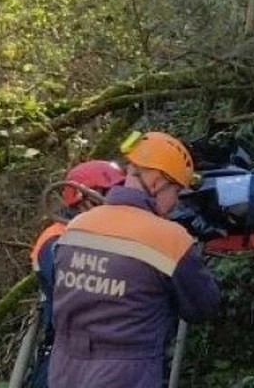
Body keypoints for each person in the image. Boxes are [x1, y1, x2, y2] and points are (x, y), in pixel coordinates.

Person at [48, 131, 221, 388]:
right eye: (176, 190)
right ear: (157, 182)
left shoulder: (76, 227)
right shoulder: (170, 239)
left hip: (63, 368)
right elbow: (204, 307)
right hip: (125, 371)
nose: (175, 202)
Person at [28, 160, 126, 388]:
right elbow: (77, 289)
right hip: (68, 355)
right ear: (82, 199)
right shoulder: (55, 239)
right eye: (108, 193)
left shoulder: (104, 233)